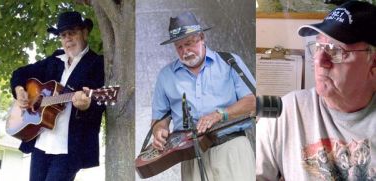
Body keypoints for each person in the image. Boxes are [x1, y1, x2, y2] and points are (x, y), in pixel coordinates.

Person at [256, 1, 376, 180]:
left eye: (336, 50)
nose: (319, 61)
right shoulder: (286, 112)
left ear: (373, 63)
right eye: (319, 47)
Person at [151, 12, 256, 181]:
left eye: (189, 43)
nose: (185, 51)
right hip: (191, 155)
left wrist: (219, 114)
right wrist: (159, 131)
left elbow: (253, 102)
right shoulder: (166, 76)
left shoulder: (230, 62)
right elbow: (159, 119)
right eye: (179, 47)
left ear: (202, 37)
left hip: (231, 149)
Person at [10, 11, 105, 181]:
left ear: (84, 33)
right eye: (63, 35)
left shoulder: (96, 63)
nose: (68, 39)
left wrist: (86, 105)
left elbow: (100, 104)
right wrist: (19, 90)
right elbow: (20, 73)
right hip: (41, 142)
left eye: (72, 32)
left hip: (69, 148)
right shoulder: (54, 60)